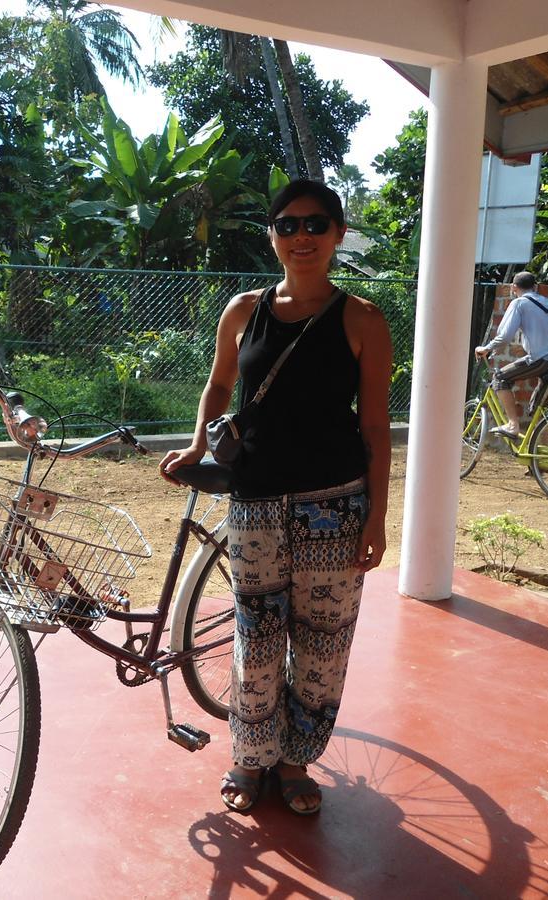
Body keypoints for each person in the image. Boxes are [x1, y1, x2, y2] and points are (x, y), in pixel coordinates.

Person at [159, 179, 393, 816]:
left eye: (316, 224)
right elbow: (218, 388)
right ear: (271, 236)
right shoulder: (244, 309)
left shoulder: (363, 319)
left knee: (322, 641)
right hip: (256, 502)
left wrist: (378, 513)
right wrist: (198, 446)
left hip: (334, 505)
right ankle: (250, 756)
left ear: (339, 234)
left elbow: (374, 424)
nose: (302, 237)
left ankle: (294, 759)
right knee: (255, 636)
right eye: (287, 226)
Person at [474, 271, 548, 439]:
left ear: (514, 287)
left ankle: (513, 425)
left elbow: (505, 335)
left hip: (543, 359)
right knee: (538, 412)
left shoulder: (519, 303)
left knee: (500, 379)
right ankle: (542, 464)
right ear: (535, 287)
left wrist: (487, 348)